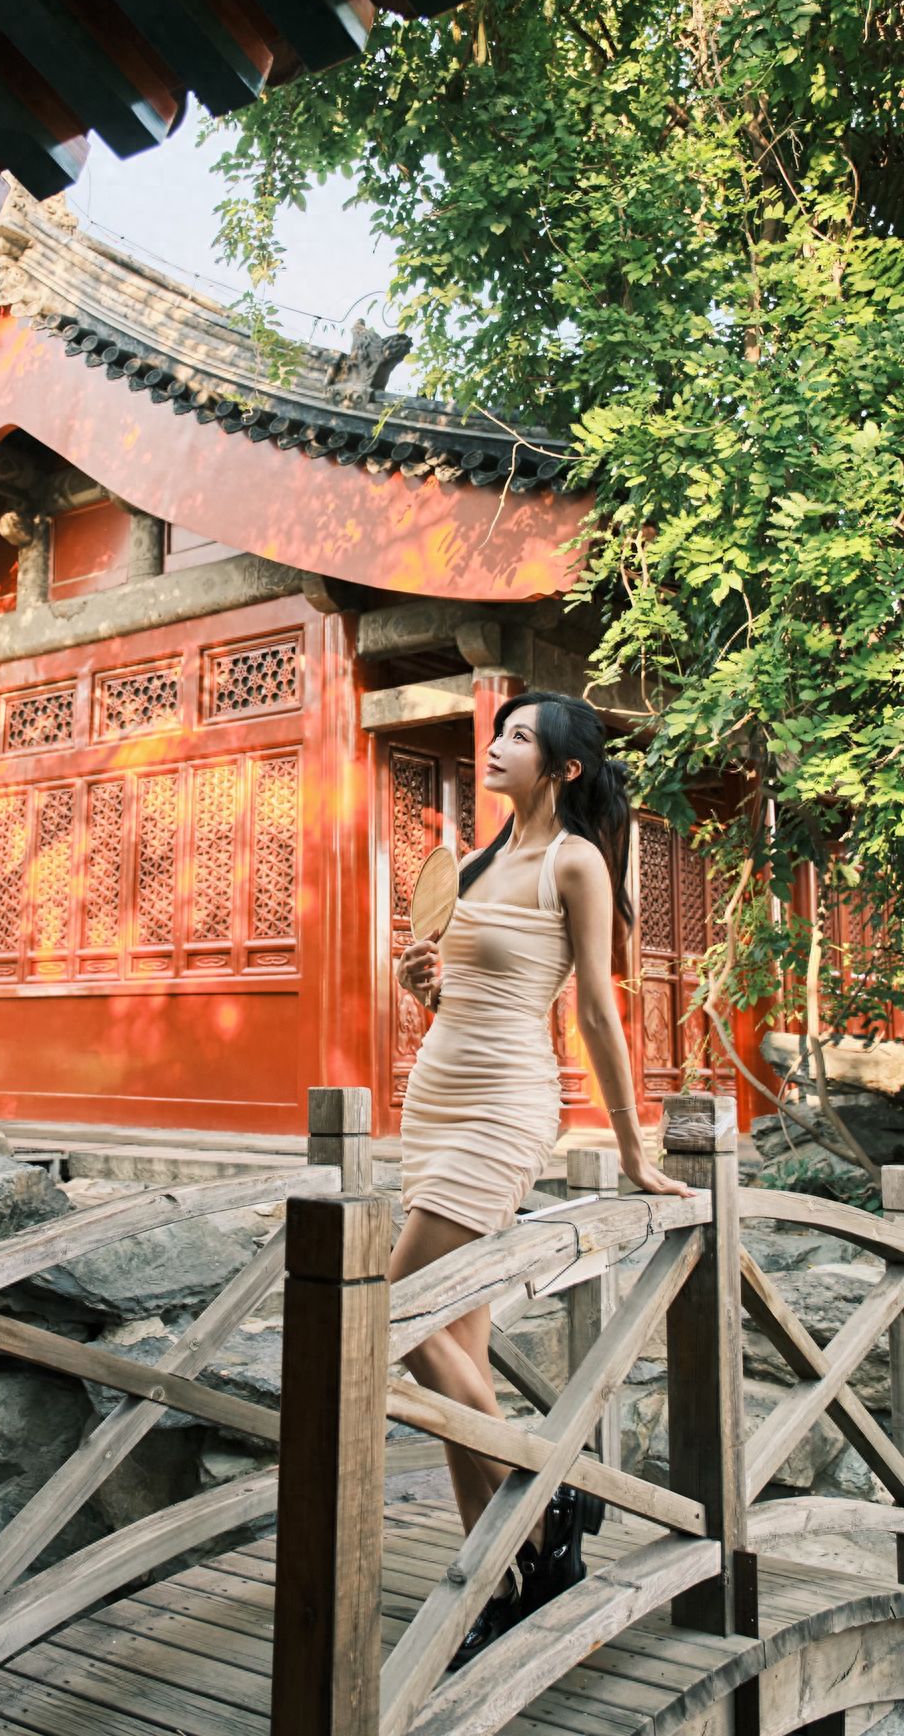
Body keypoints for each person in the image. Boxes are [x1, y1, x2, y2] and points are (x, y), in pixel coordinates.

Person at [392, 689, 692, 1668]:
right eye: (498, 731)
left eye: (518, 737)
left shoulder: (574, 862)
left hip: (504, 1108)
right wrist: (425, 988)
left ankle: (549, 1490)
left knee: (396, 1313)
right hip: (432, 1100)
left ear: (561, 768)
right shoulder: (476, 863)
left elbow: (596, 1015)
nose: (495, 746)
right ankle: (513, 1576)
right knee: (455, 1356)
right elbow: (463, 993)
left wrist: (633, 1147)